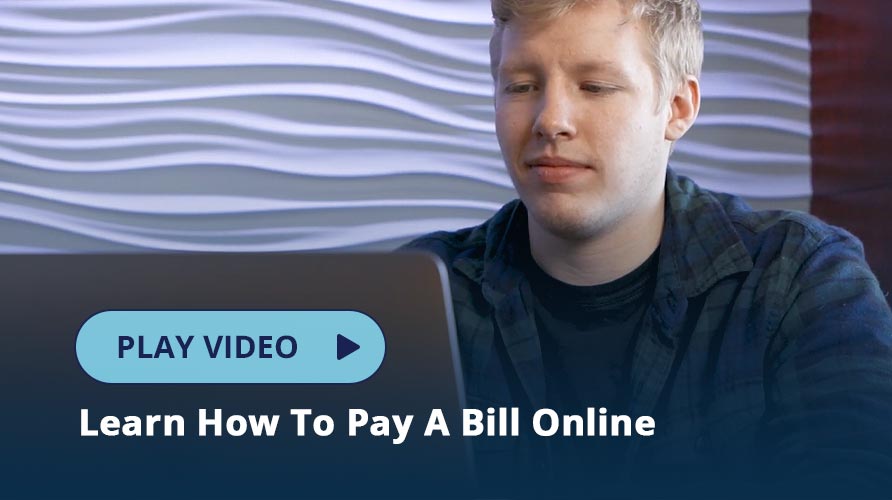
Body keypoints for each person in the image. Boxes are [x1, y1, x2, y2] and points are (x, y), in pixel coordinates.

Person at [402, 0, 892, 497]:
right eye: (521, 86)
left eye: (595, 86)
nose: (550, 121)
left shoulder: (802, 279)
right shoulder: (419, 295)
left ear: (678, 108)